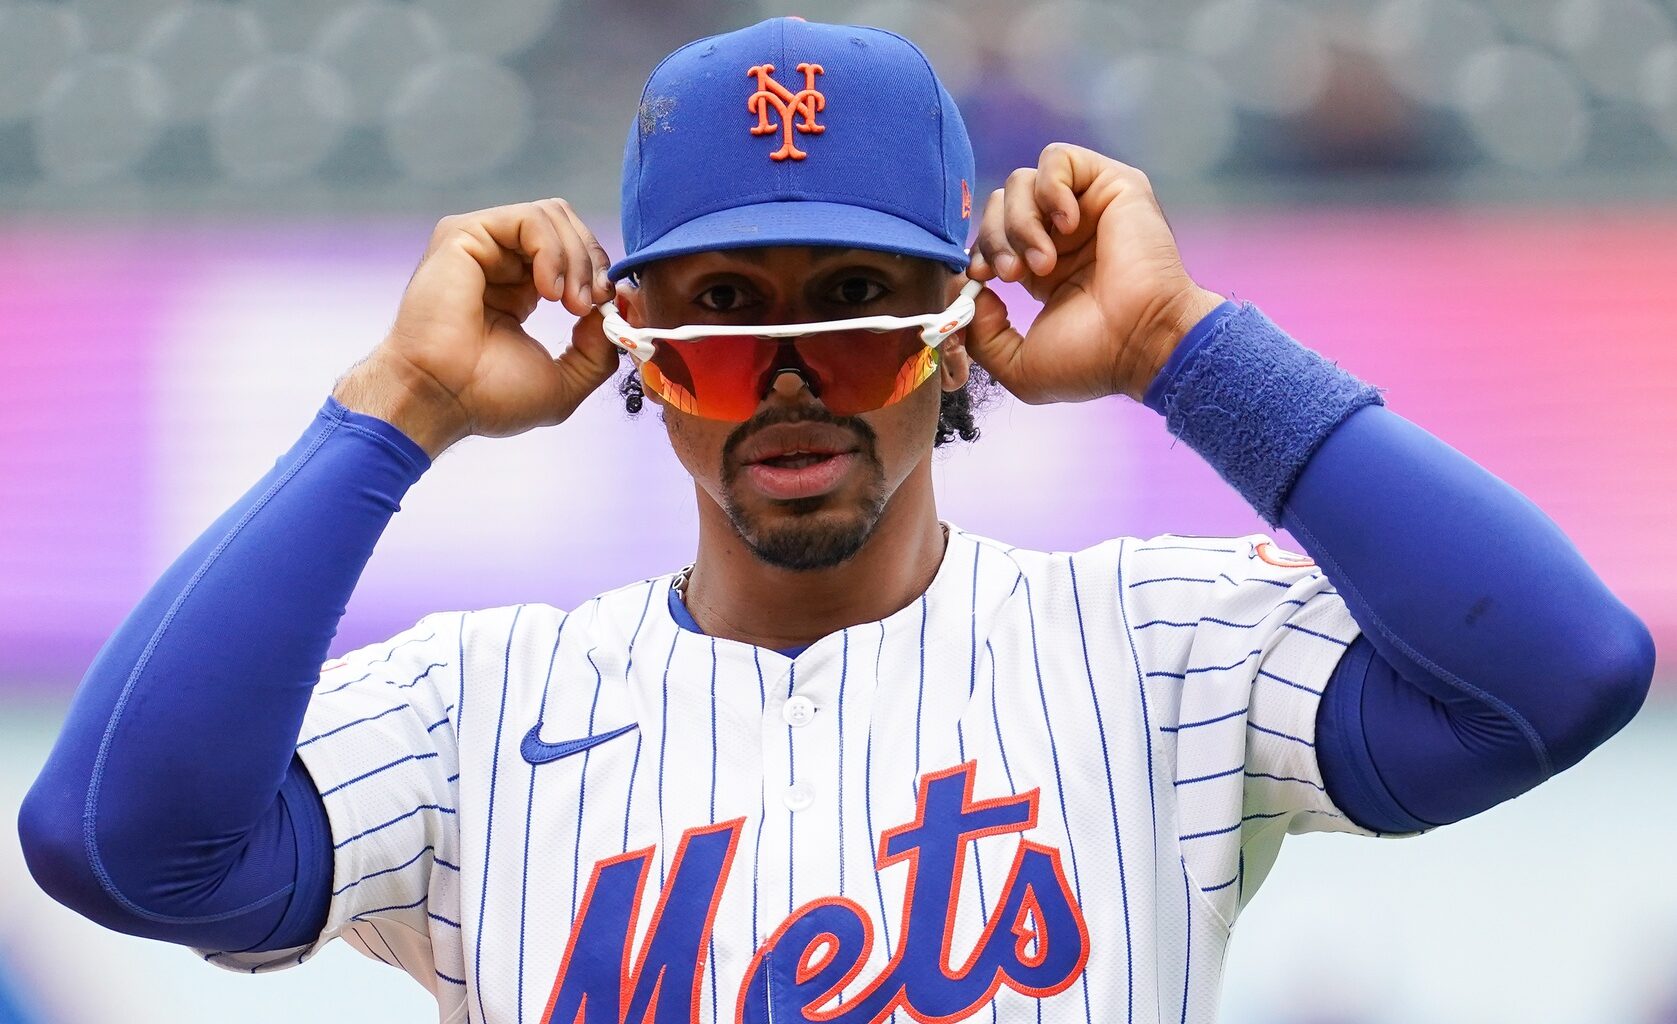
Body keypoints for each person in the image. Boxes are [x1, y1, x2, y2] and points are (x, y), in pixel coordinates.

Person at [18, 17, 1654, 1024]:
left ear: (960, 333)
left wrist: (1181, 349)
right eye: (727, 312)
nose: (794, 375)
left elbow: (1559, 672)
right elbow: (115, 844)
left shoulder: (1158, 652)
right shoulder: (469, 706)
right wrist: (396, 408)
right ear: (636, 352)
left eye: (859, 303)